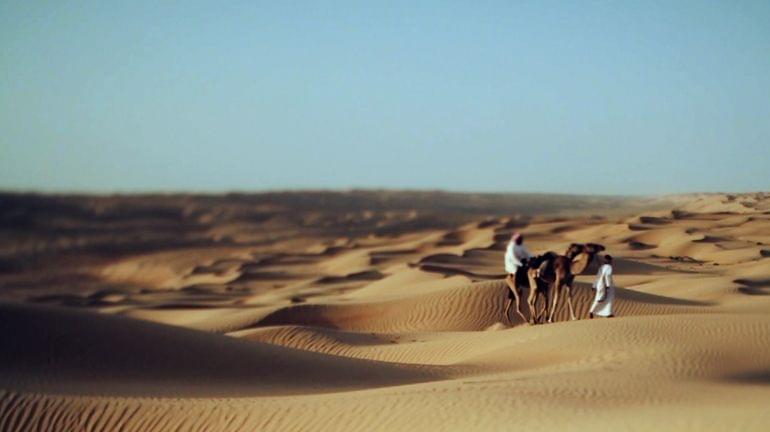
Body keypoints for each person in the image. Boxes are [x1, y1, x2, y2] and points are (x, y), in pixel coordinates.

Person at [503, 233, 532, 322]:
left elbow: (527, 253)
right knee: (517, 296)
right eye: (519, 239)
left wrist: (531, 258)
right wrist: (521, 263)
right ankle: (516, 287)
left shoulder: (521, 246)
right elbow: (513, 258)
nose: (520, 240)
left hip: (520, 263)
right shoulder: (511, 247)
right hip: (513, 266)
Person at [589, 254, 615, 318]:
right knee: (607, 298)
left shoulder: (601, 267)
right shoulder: (609, 267)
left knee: (599, 298)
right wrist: (608, 285)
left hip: (599, 284)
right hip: (606, 285)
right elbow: (607, 276)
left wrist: (594, 285)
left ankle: (607, 313)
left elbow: (597, 277)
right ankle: (592, 311)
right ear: (609, 260)